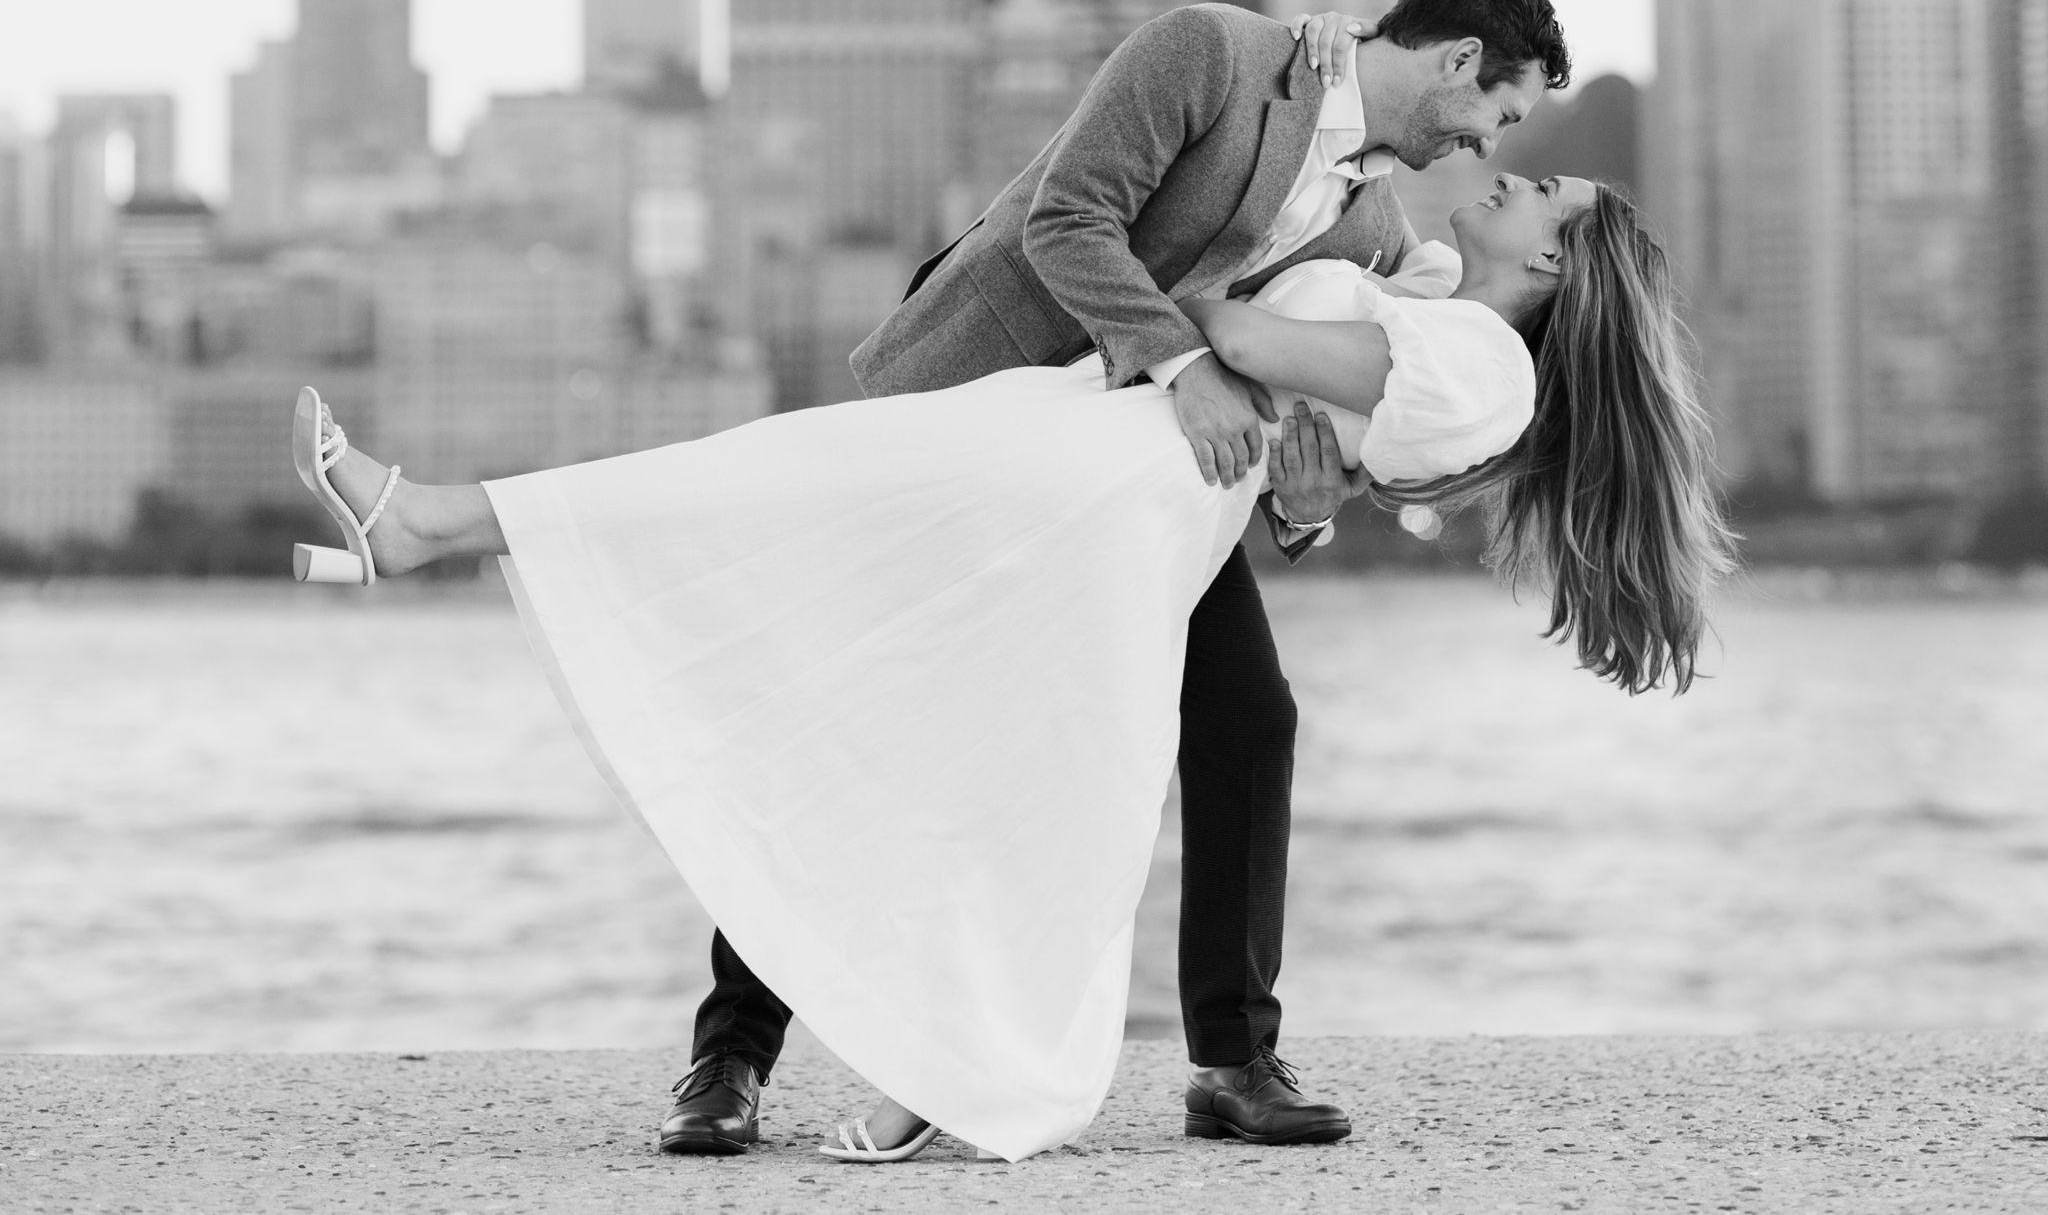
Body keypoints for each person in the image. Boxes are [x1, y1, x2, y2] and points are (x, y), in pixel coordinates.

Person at [288, 162, 1734, 1163]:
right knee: (823, 550)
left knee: (800, 521)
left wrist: (1246, 364)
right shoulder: (1421, 276)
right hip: (1098, 448)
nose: (1510, 164)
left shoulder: (1491, 362)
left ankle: (431, 526)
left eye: (1540, 184)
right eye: (1515, 142)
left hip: (1110, 479)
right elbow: (1326, 434)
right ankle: (429, 528)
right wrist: (1303, 420)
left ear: (1556, 260)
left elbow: (1243, 338)